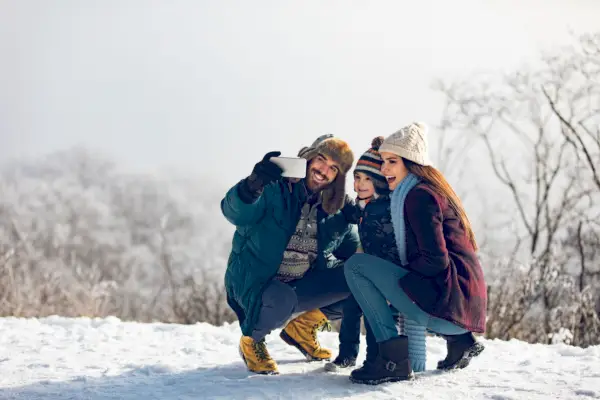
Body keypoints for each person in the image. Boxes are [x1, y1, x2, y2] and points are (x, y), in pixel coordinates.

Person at [344, 122, 487, 385]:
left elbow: (435, 260)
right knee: (382, 271)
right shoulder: (427, 190)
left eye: (391, 162)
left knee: (356, 266)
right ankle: (460, 343)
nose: (384, 169)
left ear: (411, 163)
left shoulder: (419, 196)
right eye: (383, 162)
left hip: (449, 307)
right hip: (462, 310)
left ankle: (391, 360)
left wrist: (391, 284)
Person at [221, 134, 360, 375]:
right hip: (256, 282)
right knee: (282, 298)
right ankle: (252, 340)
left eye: (333, 168)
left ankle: (303, 329)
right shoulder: (273, 189)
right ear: (308, 158)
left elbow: (352, 254)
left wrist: (355, 220)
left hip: (300, 284)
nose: (324, 170)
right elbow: (235, 213)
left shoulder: (331, 208)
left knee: (359, 278)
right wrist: (252, 186)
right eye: (321, 159)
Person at [325, 137, 427, 374]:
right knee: (351, 307)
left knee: (374, 316)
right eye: (357, 178)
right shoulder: (365, 205)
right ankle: (347, 354)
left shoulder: (386, 208)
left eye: (368, 179)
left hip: (389, 275)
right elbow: (350, 209)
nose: (361, 184)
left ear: (380, 181)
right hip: (367, 273)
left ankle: (376, 358)